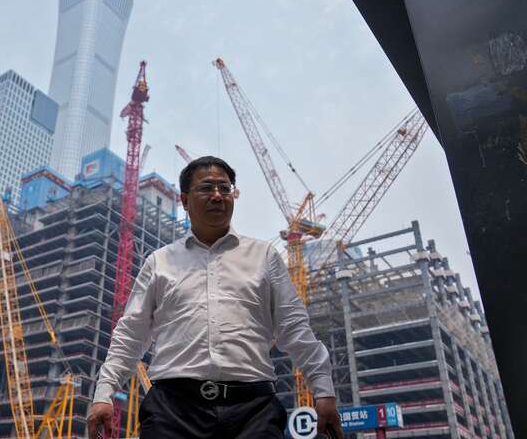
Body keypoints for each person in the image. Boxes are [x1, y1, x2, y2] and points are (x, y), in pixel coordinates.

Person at [87, 156, 344, 439]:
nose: (218, 196)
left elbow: (294, 328)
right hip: (173, 412)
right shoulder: (159, 262)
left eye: (225, 188)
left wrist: (323, 390)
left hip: (253, 412)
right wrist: (104, 393)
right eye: (207, 188)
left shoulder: (264, 257)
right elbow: (131, 334)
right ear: (185, 200)